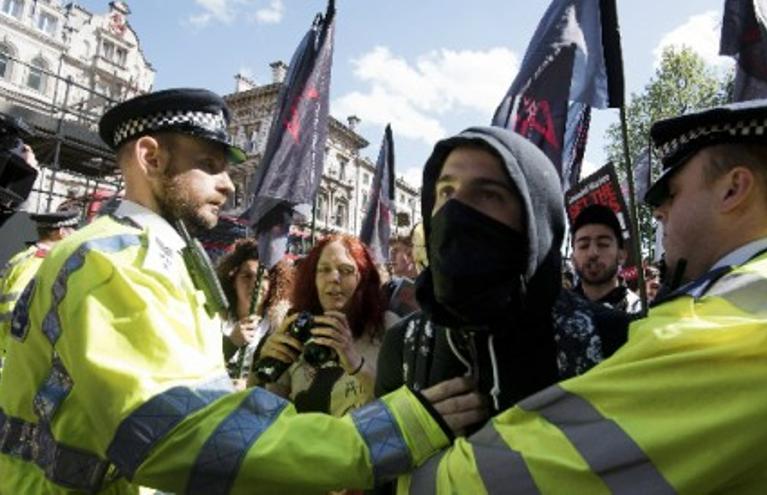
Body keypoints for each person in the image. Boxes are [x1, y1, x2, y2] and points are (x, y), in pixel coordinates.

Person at [384, 97, 767, 492]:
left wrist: (395, 447)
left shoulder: (734, 321)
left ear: (733, 190)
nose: (660, 215)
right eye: (445, 194)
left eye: (671, 194)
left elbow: (514, 478)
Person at [0, 89, 481, 494]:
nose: (229, 185)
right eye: (208, 165)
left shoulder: (153, 257)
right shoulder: (114, 262)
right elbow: (176, 433)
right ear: (150, 157)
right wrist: (388, 433)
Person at [375, 126, 562, 417]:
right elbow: (380, 460)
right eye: (446, 191)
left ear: (533, 217)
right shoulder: (403, 344)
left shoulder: (608, 340)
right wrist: (407, 433)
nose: (456, 209)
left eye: (487, 194)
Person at [253, 234, 398, 417]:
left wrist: (355, 364)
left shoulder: (388, 328)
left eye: (345, 270)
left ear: (363, 278)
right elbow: (267, 412)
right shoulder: (296, 327)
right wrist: (264, 365)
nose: (334, 278)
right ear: (313, 279)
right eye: (324, 270)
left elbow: (402, 404)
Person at [0, 209, 78, 369]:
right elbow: (17, 308)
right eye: (73, 231)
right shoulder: (40, 263)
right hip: (13, 356)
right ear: (61, 233)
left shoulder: (24, 256)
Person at [216, 238, 294, 384]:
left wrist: (247, 383)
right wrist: (231, 343)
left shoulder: (279, 327)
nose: (255, 284)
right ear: (233, 280)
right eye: (247, 276)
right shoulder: (214, 319)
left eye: (264, 277)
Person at [570, 203, 641, 314]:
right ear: (573, 259)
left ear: (621, 256)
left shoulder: (639, 313)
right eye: (583, 246)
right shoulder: (555, 312)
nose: (592, 253)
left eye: (603, 244)